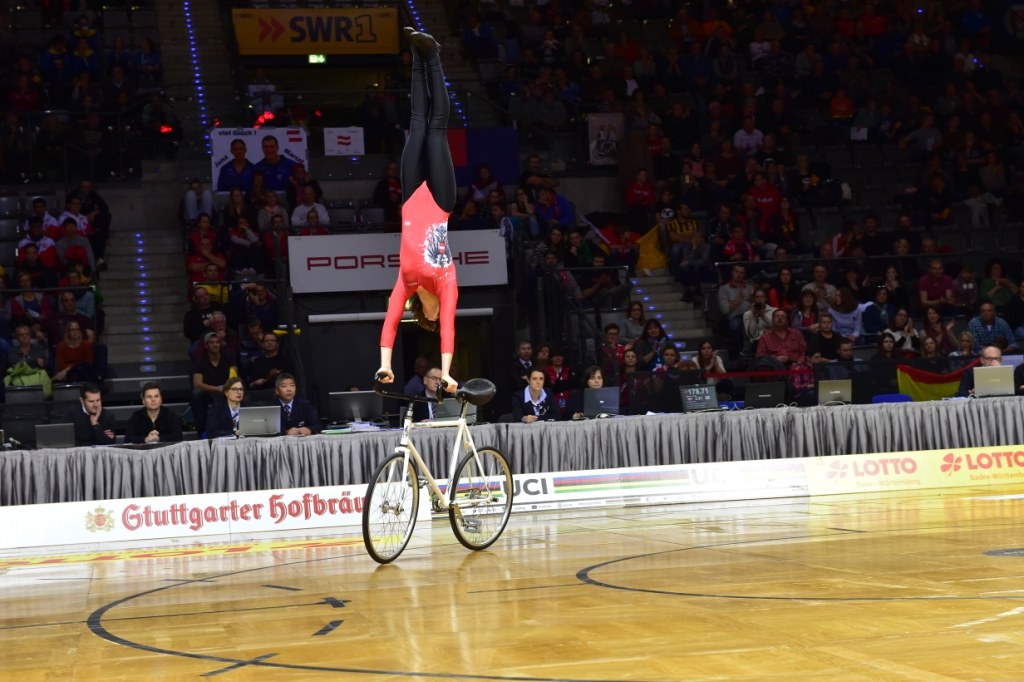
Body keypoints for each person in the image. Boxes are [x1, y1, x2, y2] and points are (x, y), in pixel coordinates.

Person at [377, 28, 460, 392]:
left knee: (416, 125)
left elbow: (390, 322)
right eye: (440, 314)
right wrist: (448, 373)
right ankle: (434, 56)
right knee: (436, 128)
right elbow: (449, 331)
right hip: (440, 203)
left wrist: (385, 365)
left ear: (425, 314)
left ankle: (416, 52)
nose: (441, 314)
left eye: (435, 316)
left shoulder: (407, 283)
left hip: (412, 200)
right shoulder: (446, 283)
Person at [190, 332, 238, 435]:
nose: (215, 345)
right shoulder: (200, 361)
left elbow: (233, 378)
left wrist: (225, 388)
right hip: (209, 391)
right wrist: (217, 389)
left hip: (226, 389)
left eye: (217, 342)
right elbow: (197, 384)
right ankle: (202, 431)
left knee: (237, 390)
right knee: (196, 394)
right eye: (211, 343)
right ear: (206, 345)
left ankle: (233, 429)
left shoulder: (229, 357)